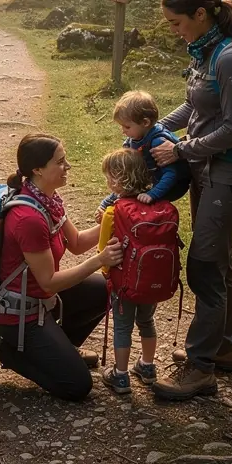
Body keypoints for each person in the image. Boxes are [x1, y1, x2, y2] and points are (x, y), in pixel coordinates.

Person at [150, 0, 232, 401]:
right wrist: (156, 128)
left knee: (203, 266)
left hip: (229, 174)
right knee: (221, 260)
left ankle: (201, 368)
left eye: (176, 22)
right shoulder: (207, 52)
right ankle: (225, 348)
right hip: (208, 170)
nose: (174, 30)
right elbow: (198, 106)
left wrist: (180, 148)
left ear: (201, 14)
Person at [0, 133, 124, 401]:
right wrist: (100, 261)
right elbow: (49, 281)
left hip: (44, 302)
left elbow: (75, 243)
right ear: (38, 170)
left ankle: (60, 348)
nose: (68, 166)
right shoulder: (28, 217)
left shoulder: (48, 199)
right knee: (76, 386)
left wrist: (115, 222)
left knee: (106, 288)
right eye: (61, 162)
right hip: (20, 316)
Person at [97, 149, 159, 394]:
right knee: (147, 321)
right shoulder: (157, 205)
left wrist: (105, 272)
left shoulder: (114, 211)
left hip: (124, 282)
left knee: (123, 327)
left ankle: (120, 376)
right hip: (151, 281)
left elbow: (103, 248)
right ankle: (147, 366)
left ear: (117, 180)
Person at [97, 90, 189, 215]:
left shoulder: (157, 142)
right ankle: (107, 205)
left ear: (145, 123)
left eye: (127, 127)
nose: (123, 131)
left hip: (170, 185)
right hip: (149, 180)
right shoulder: (134, 139)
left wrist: (152, 194)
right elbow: (127, 175)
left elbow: (171, 174)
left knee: (135, 206)